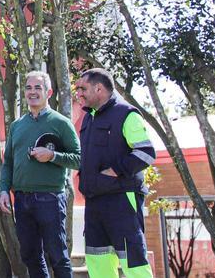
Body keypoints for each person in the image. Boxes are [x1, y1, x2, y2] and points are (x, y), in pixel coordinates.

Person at [0, 70, 81, 278]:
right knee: (30, 255)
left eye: (38, 88)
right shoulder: (17, 126)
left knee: (57, 256)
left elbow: (79, 159)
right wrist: (3, 190)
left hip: (50, 198)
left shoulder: (61, 123)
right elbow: (8, 162)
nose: (32, 92)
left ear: (48, 92)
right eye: (28, 87)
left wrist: (52, 155)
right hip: (22, 199)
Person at [75, 68, 156, 278]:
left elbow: (146, 153)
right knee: (97, 262)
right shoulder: (88, 119)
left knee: (134, 262)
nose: (79, 94)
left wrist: (115, 171)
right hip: (94, 203)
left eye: (83, 88)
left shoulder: (126, 114)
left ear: (99, 88)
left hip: (121, 200)